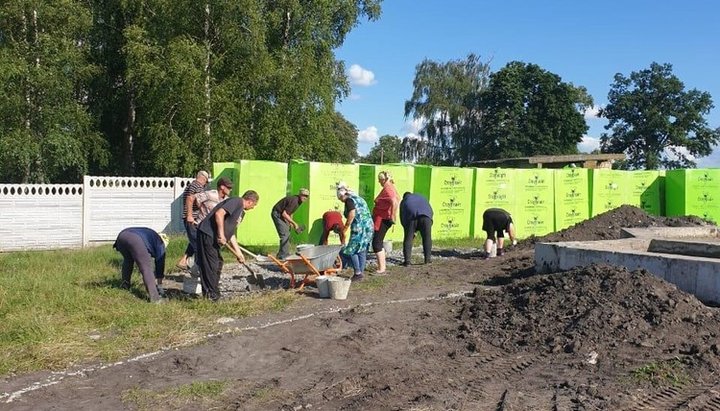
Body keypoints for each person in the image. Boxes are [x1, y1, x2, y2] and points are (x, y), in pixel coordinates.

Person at [196, 190, 259, 301]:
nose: (253, 208)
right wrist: (221, 234)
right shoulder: (236, 201)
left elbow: (231, 233)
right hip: (207, 233)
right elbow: (219, 213)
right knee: (211, 265)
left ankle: (212, 292)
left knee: (218, 263)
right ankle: (211, 295)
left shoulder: (240, 212)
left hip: (213, 236)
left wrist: (239, 253)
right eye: (254, 205)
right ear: (250, 201)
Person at [113, 227, 169, 303]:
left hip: (122, 236)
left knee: (128, 260)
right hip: (135, 239)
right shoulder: (160, 243)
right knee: (146, 268)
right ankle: (155, 299)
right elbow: (160, 264)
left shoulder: (151, 237)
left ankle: (125, 285)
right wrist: (159, 285)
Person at [336, 183, 374, 282]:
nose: (340, 200)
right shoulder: (359, 199)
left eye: (340, 198)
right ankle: (360, 273)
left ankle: (357, 273)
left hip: (359, 228)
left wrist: (346, 227)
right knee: (361, 250)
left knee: (350, 250)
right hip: (369, 227)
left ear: (342, 195)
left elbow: (352, 214)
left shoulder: (349, 200)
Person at [177, 170, 209, 270]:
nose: (206, 184)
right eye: (206, 182)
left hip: (190, 218)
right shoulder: (198, 186)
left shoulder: (191, 186)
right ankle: (199, 268)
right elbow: (199, 201)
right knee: (198, 244)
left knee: (194, 241)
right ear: (203, 178)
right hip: (193, 219)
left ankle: (183, 261)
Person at [371, 171, 400, 274]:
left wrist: (392, 215)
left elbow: (394, 201)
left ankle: (382, 268)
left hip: (383, 218)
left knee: (377, 243)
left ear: (383, 179)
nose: (379, 182)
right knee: (378, 242)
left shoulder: (388, 188)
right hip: (383, 217)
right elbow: (397, 199)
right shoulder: (390, 187)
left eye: (379, 180)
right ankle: (381, 267)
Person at [271, 188, 310, 260]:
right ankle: (283, 255)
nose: (305, 197)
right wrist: (295, 224)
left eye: (307, 196)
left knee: (287, 233)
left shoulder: (299, 201)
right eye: (303, 195)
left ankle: (280, 254)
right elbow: (284, 214)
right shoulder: (294, 201)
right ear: (300, 195)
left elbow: (290, 212)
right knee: (284, 235)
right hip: (277, 213)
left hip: (281, 213)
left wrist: (290, 222)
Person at [399, 192, 434, 266]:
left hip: (411, 217)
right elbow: (430, 210)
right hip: (426, 216)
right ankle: (428, 260)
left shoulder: (404, 201)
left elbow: (402, 217)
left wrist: (409, 231)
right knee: (427, 238)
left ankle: (407, 262)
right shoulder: (421, 197)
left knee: (408, 239)